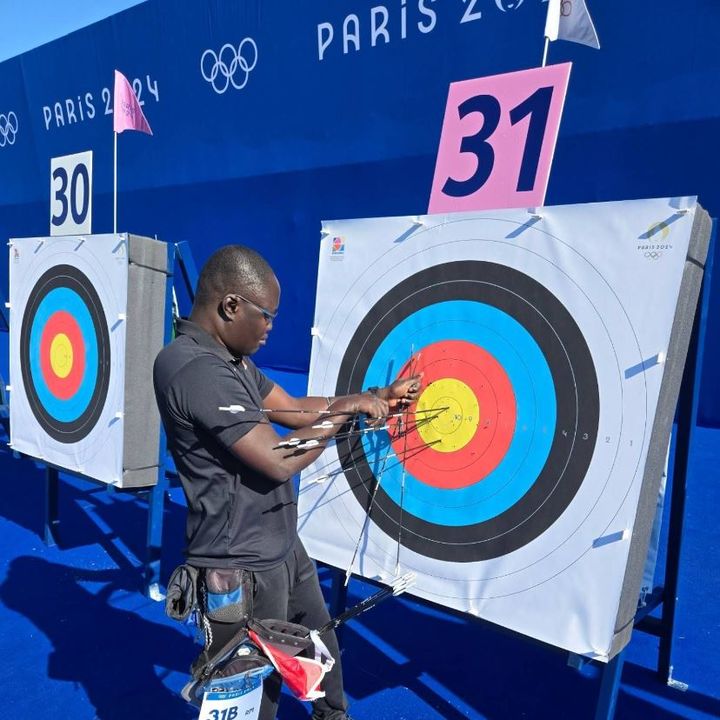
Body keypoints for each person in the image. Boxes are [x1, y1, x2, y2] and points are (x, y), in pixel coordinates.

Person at [153, 245, 421, 720]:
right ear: (231, 306)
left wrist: (372, 396)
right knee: (257, 690)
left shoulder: (229, 359)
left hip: (281, 546)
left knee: (319, 647)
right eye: (267, 317)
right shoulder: (195, 369)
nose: (271, 329)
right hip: (238, 567)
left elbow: (292, 408)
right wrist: (345, 411)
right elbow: (278, 458)